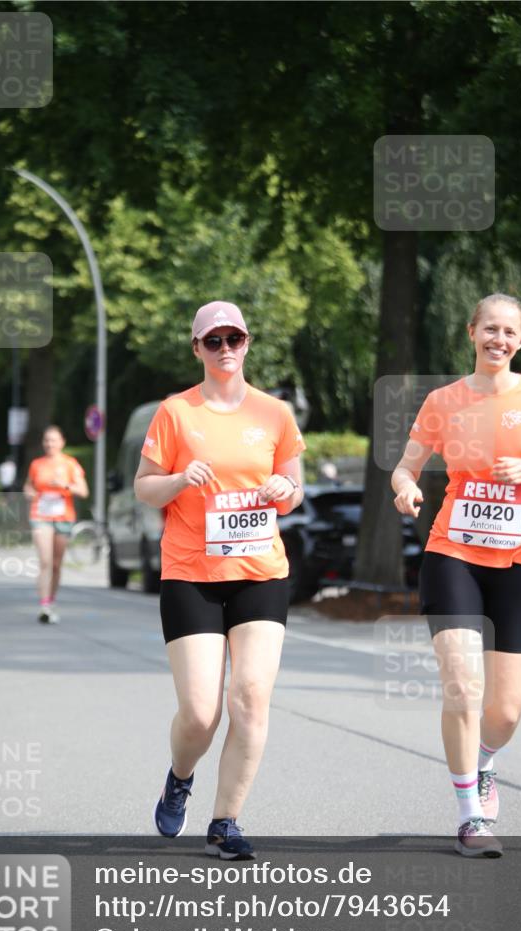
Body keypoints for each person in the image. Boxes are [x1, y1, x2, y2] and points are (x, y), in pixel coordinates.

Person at [392, 293, 521, 858]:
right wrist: (406, 488)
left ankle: (485, 761)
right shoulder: (444, 400)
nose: (498, 339)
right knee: (464, 687)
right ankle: (470, 815)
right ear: (472, 332)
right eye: (489, 328)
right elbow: (406, 464)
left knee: (507, 709)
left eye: (509, 331)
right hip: (454, 554)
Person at [134, 301, 305, 860]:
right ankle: (180, 775)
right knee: (202, 713)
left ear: (248, 343)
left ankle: (225, 820)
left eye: (235, 338)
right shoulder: (175, 413)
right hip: (192, 574)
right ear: (198, 349)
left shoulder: (275, 413)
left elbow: (293, 485)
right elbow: (145, 487)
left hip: (260, 571)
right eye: (214, 340)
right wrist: (181, 478)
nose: (226, 348)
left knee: (251, 697)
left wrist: (285, 491)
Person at [24, 426, 88, 624]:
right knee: (45, 561)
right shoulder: (37, 464)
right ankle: (43, 604)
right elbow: (28, 486)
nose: (49, 444)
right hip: (40, 515)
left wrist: (65, 485)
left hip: (63, 517)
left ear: (62, 442)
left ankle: (51, 601)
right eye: (46, 440)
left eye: (53, 440)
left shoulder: (70, 464)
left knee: (56, 564)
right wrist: (29, 493)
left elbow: (84, 491)